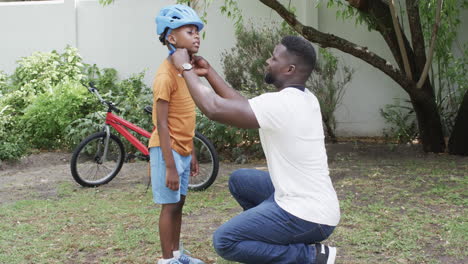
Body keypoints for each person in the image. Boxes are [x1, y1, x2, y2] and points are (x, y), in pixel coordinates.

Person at [171, 35, 340, 264]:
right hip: (310, 201)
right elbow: (241, 105)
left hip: (309, 215)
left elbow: (213, 108)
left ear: (289, 68)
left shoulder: (284, 104)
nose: (267, 62)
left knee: (226, 241)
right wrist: (209, 73)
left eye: (273, 58)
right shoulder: (302, 98)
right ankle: (269, 242)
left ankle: (310, 257)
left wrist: (185, 67)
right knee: (241, 180)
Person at [149, 4, 206, 264]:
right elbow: (161, 124)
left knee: (179, 205)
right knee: (169, 207)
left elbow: (185, 118)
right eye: (190, 31)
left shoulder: (186, 71)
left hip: (182, 150)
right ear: (171, 38)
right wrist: (171, 166)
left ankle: (177, 255)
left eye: (197, 31)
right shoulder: (165, 75)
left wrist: (191, 151)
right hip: (165, 151)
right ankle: (166, 260)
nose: (196, 36)